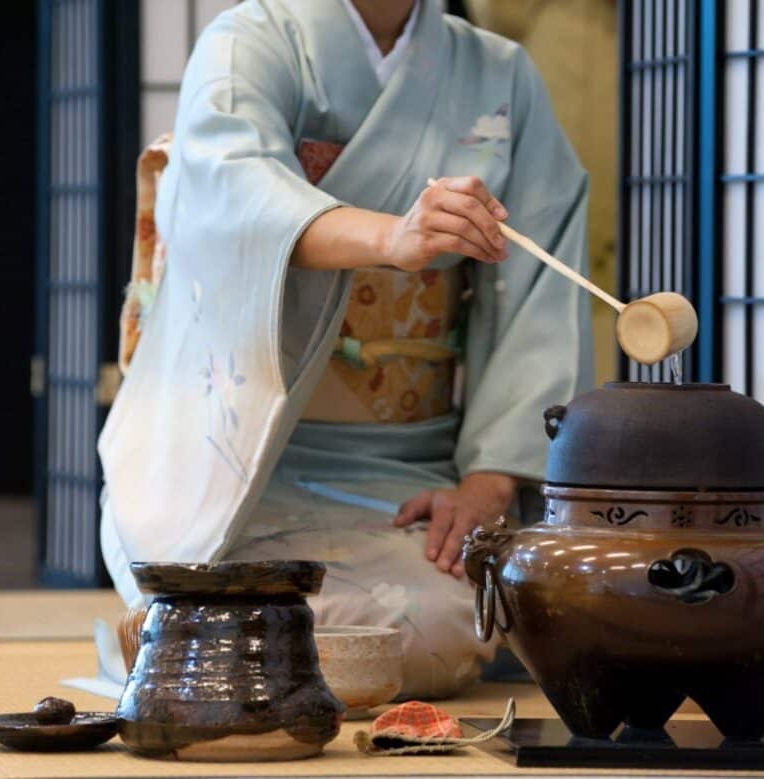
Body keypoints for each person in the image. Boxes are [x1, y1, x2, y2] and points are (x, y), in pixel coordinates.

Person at [100, 0, 592, 698]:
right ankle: (184, 626)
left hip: (402, 480)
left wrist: (488, 480)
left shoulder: (500, 77)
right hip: (231, 464)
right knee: (215, 582)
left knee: (433, 627)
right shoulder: (250, 44)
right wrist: (392, 239)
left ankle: (180, 645)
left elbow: (540, 286)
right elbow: (231, 195)